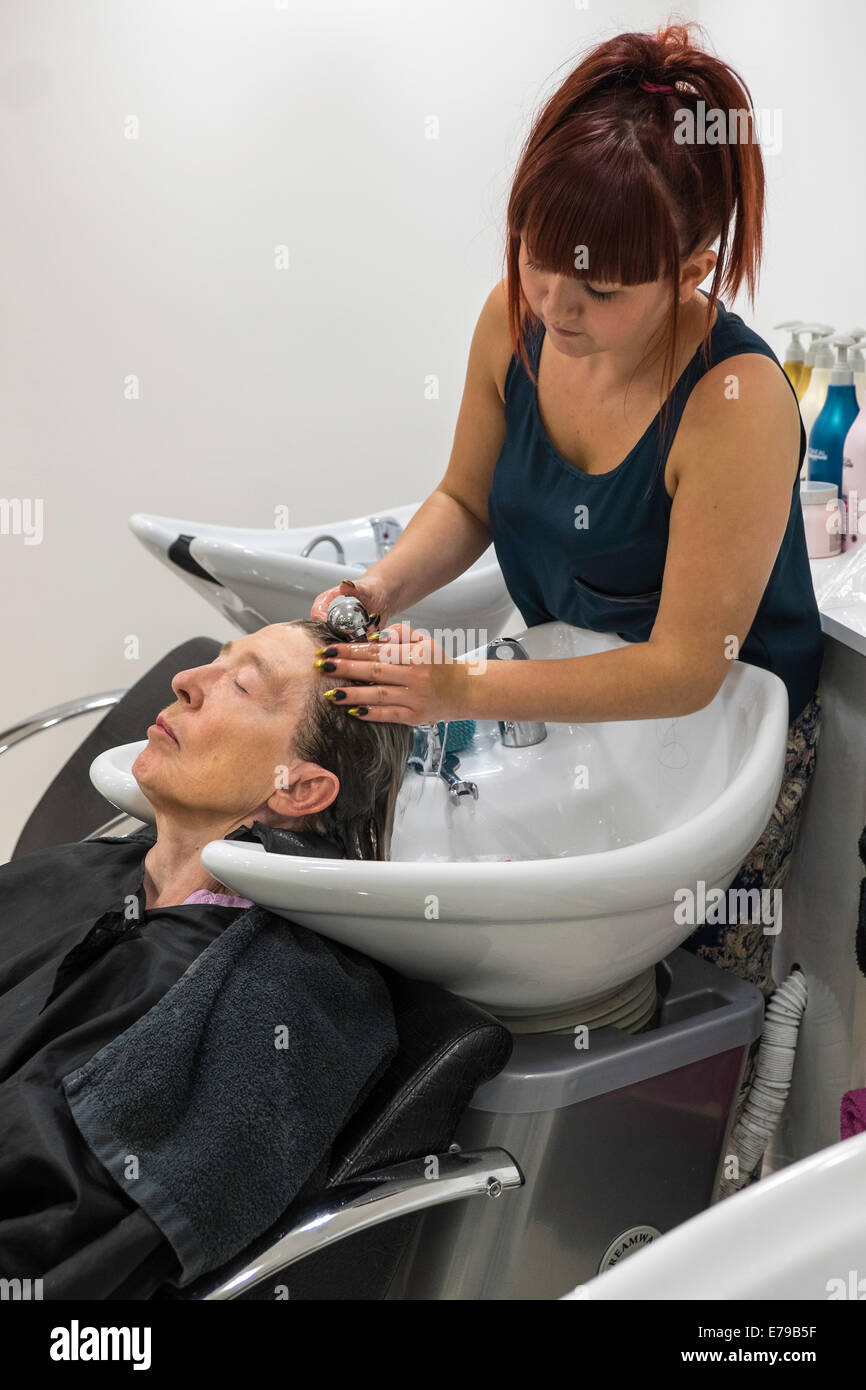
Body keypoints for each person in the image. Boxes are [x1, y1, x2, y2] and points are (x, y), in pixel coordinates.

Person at [308, 22, 824, 1170]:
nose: (558, 300)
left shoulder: (735, 403)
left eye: (602, 283)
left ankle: (665, 1208)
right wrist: (381, 584)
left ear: (693, 267)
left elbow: (687, 664)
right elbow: (466, 497)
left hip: (712, 735)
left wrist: (454, 684)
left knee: (661, 1016)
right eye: (541, 257)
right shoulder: (516, 318)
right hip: (543, 689)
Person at [0, 619, 412, 1296]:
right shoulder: (99, 873)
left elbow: (60, 1249)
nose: (186, 681)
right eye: (215, 664)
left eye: (243, 683)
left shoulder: (265, 1000)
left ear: (299, 790)